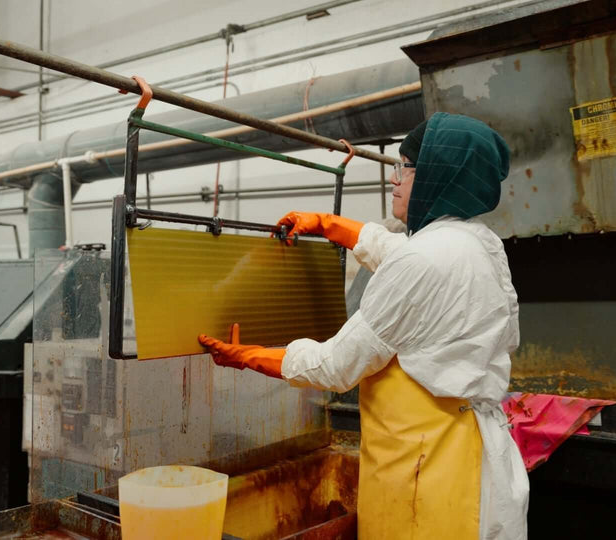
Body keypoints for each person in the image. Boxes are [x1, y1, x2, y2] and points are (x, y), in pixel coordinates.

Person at [199, 113, 529, 540]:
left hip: (425, 473)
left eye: (404, 167)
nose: (394, 179)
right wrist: (327, 224)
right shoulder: (476, 242)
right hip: (467, 450)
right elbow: (394, 249)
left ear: (437, 176)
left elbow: (335, 367)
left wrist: (248, 356)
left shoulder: (423, 260)